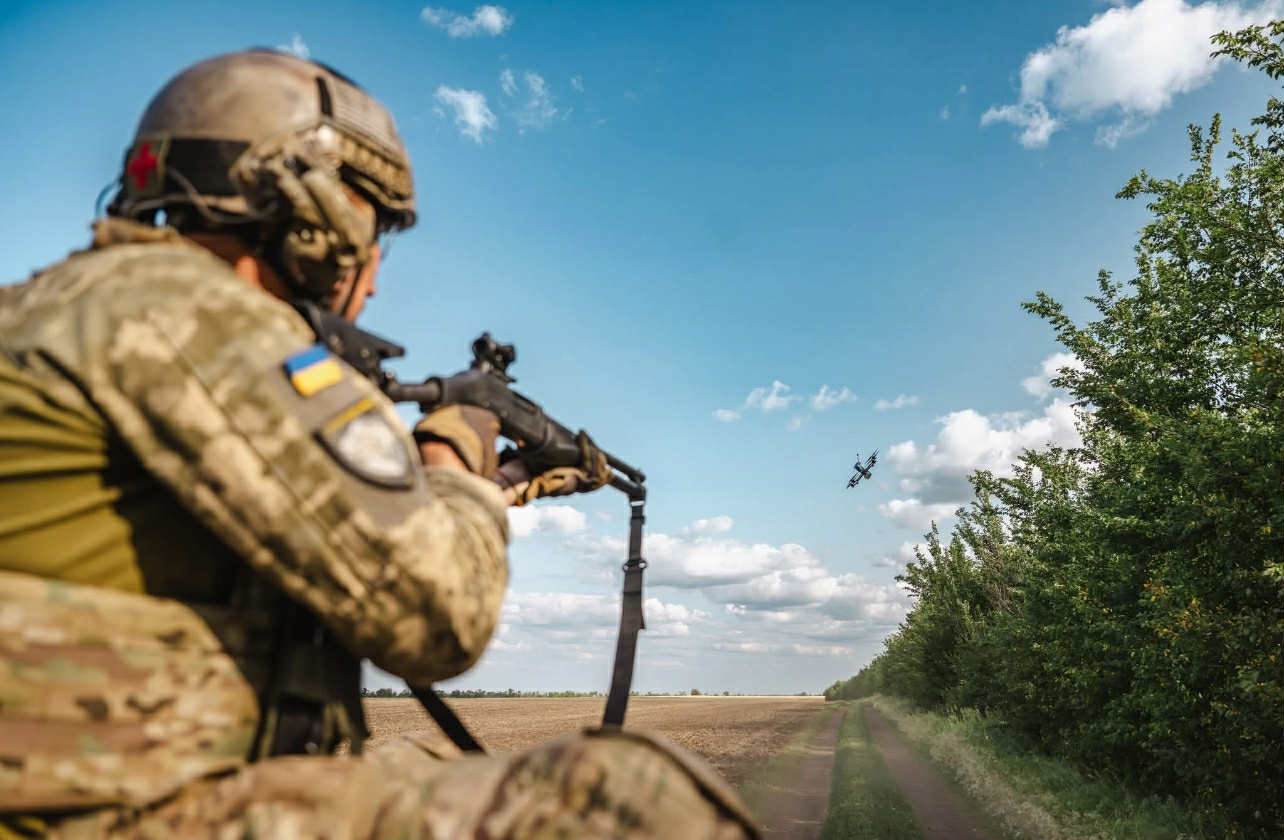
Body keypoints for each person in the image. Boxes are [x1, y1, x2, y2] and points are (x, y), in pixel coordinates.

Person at [0, 49, 758, 839]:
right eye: (375, 235)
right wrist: (456, 447)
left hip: (104, 784)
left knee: (414, 761)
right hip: (100, 813)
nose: (374, 277)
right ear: (320, 216)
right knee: (624, 801)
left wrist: (495, 480)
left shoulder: (80, 307)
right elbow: (438, 618)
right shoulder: (187, 315)